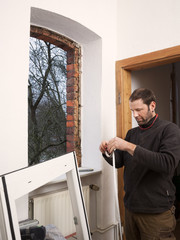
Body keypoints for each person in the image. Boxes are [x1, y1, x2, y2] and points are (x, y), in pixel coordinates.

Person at [99, 88, 180, 240]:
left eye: (139, 110)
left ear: (152, 106)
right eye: (132, 110)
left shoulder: (169, 130)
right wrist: (106, 152)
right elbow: (119, 162)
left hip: (156, 213)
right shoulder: (132, 133)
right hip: (131, 210)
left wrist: (129, 146)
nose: (135, 115)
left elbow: (167, 164)